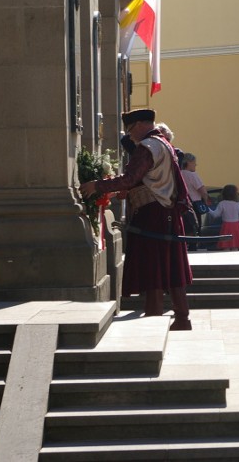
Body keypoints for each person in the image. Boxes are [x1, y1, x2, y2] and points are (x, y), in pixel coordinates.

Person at [80, 109, 193, 331]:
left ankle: (153, 319)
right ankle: (182, 317)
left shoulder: (147, 147)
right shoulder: (163, 144)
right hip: (166, 211)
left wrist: (97, 186)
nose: (130, 136)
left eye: (131, 130)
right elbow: (148, 180)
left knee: (153, 267)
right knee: (171, 267)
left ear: (141, 124)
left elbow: (131, 178)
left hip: (153, 213)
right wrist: (122, 192)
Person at [180, 152, 212, 250]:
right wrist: (207, 199)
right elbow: (202, 190)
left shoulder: (179, 173)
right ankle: (193, 247)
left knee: (184, 227)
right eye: (194, 162)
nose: (196, 165)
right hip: (194, 204)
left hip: (182, 204)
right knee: (195, 227)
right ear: (189, 162)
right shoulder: (192, 175)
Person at [208, 184, 239, 251]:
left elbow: (215, 215)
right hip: (236, 228)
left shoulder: (222, 203)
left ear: (224, 193)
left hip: (226, 227)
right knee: (235, 247)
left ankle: (226, 260)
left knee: (226, 246)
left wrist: (207, 209)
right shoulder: (238, 204)